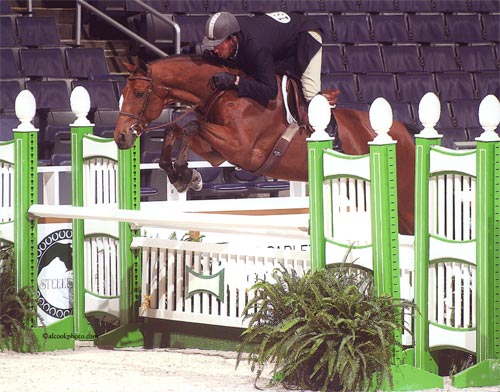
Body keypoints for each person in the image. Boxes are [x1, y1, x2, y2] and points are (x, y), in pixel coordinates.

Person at [202, 11, 338, 138]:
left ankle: (335, 139)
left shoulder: (255, 47)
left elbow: (270, 90)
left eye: (218, 44)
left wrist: (236, 81)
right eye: (212, 45)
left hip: (306, 35)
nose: (214, 49)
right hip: (281, 40)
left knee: (310, 92)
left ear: (232, 39)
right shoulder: (237, 36)